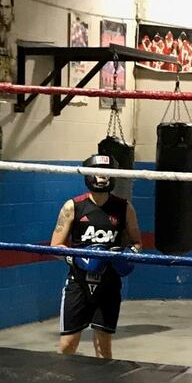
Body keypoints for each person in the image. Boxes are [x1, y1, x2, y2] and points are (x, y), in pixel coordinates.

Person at [52, 154, 140, 361]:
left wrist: (126, 256)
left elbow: (137, 242)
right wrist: (77, 259)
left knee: (104, 348)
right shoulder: (73, 206)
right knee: (68, 344)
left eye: (105, 173)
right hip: (78, 282)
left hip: (109, 283)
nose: (101, 178)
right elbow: (55, 246)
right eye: (97, 173)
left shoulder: (124, 207)